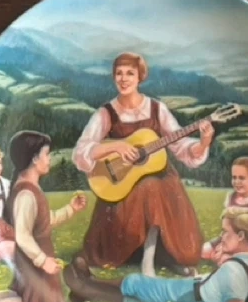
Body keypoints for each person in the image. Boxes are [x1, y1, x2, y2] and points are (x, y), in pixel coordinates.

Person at [73, 52, 214, 277]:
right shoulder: (106, 113)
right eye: (119, 73)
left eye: (130, 73)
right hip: (122, 187)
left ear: (140, 77)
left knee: (154, 187)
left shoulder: (157, 109)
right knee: (148, 188)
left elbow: (180, 146)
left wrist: (203, 142)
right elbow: (80, 152)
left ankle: (160, 255)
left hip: (162, 181)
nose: (124, 79)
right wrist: (115, 147)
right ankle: (148, 260)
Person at [64, 208, 248, 302]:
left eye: (226, 232)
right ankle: (89, 285)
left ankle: (83, 285)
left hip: (191, 297)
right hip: (199, 290)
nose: (222, 237)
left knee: (137, 283)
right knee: (140, 299)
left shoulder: (234, 271)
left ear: (241, 236)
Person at [3, 131, 87, 302]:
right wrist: (43, 261)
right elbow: (22, 236)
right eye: (47, 154)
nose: (49, 159)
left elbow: (44, 221)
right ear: (34, 158)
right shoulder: (26, 194)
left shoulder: (32, 188)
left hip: (37, 262)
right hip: (34, 264)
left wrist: (71, 209)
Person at [203, 156, 248, 261]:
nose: (237, 182)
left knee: (224, 259)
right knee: (204, 250)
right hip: (232, 240)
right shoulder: (231, 197)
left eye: (241, 178)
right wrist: (221, 245)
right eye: (234, 177)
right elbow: (228, 228)